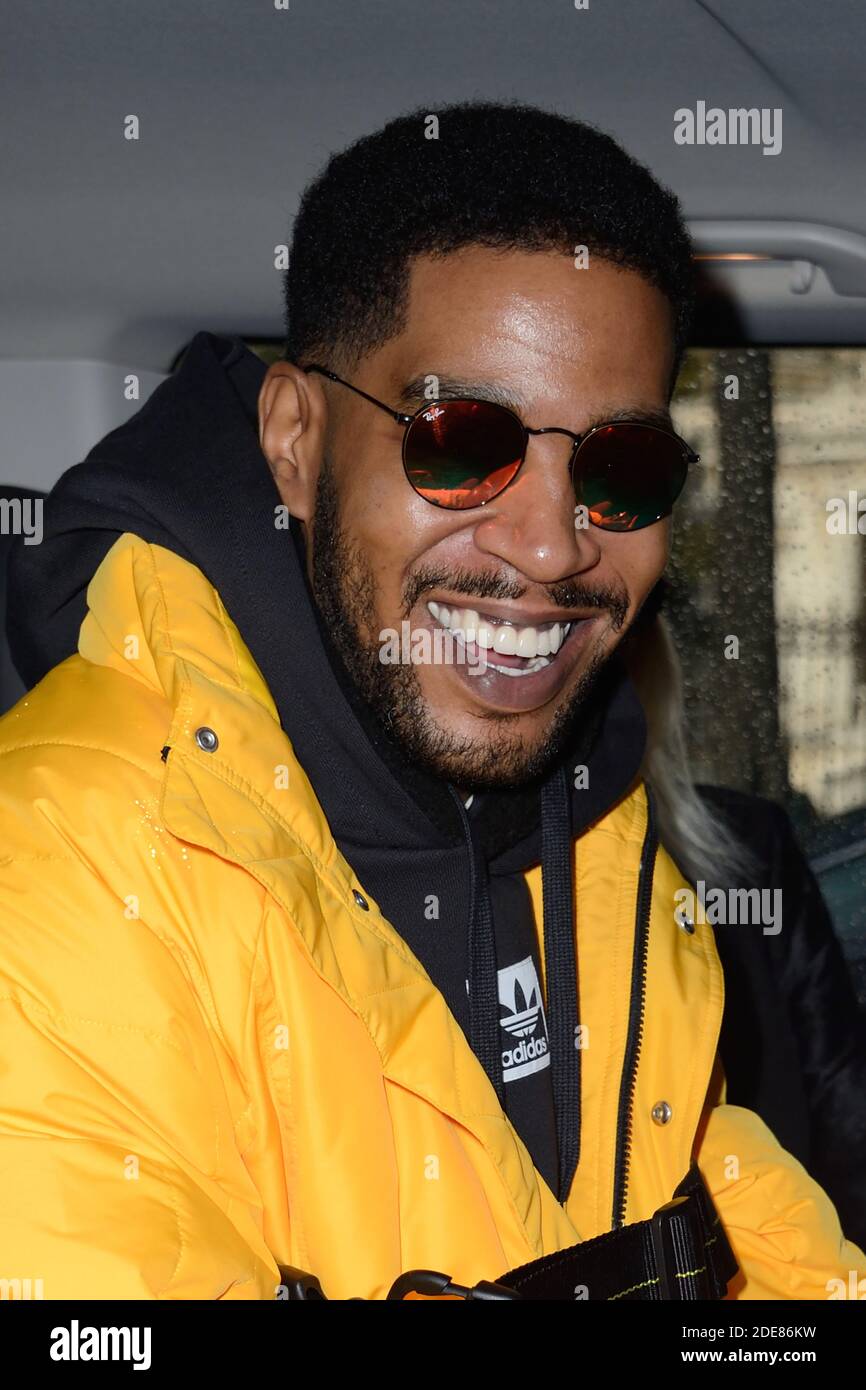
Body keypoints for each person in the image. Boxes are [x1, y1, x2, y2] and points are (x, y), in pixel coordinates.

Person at [0, 101, 862, 1300]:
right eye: (462, 443)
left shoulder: (609, 847)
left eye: (619, 469)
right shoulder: (57, 865)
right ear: (294, 442)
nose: (553, 549)